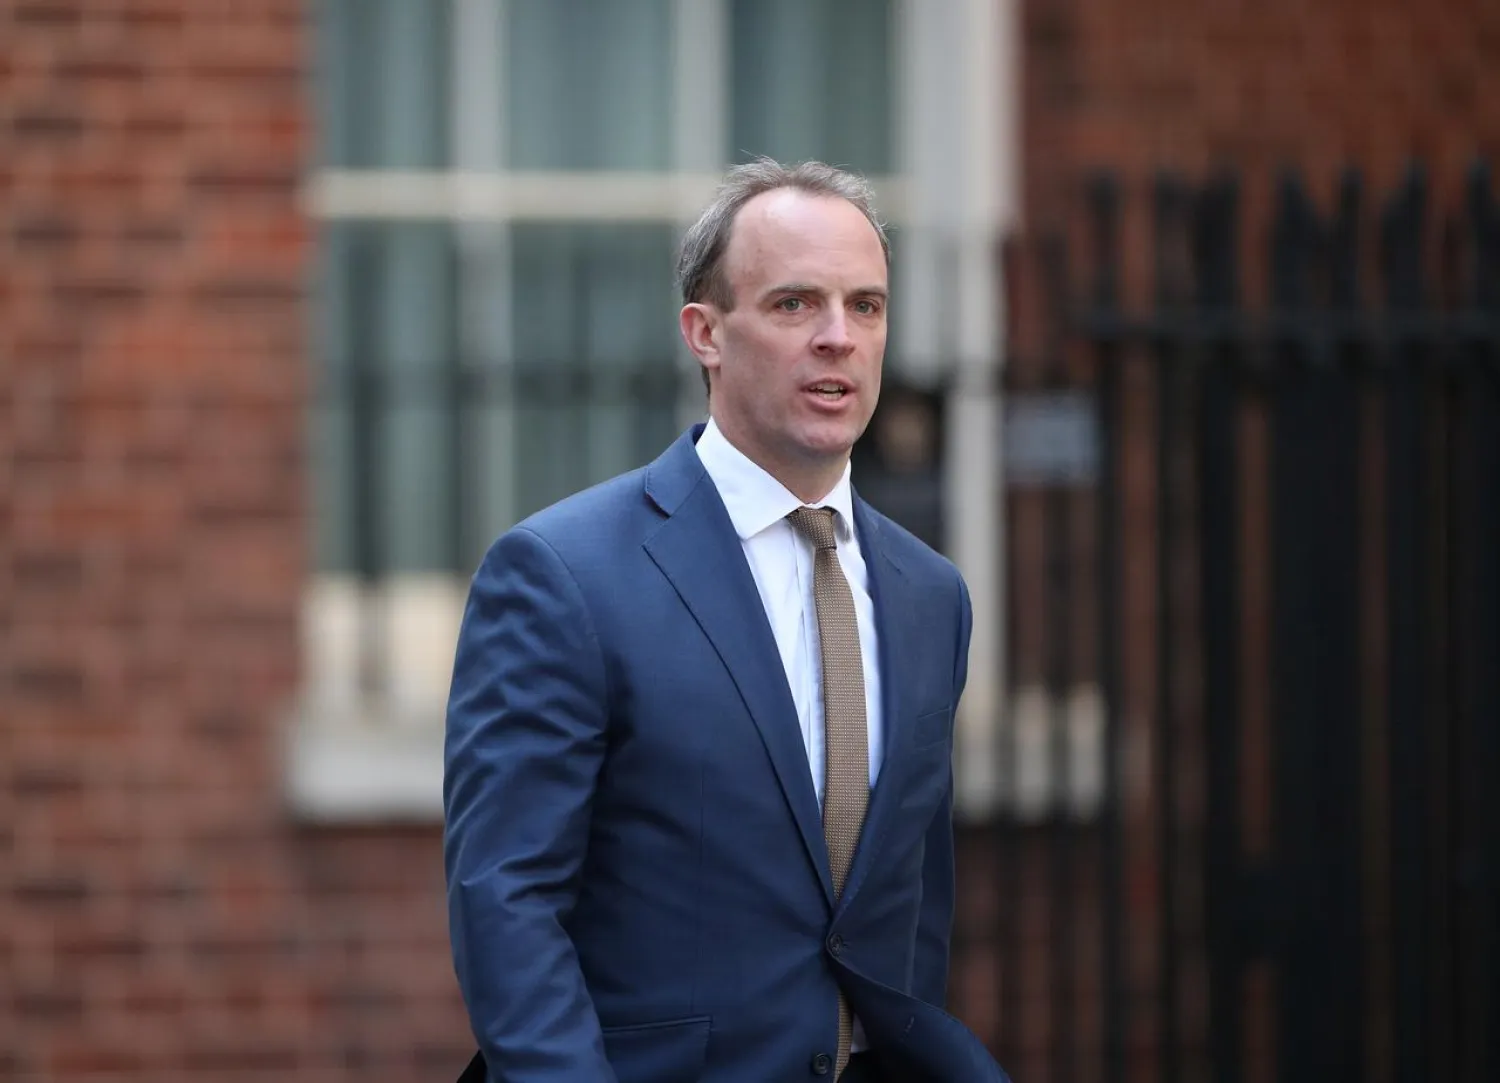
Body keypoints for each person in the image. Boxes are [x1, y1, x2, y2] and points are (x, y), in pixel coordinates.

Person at [444, 159, 1008, 1083]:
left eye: (865, 306)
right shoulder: (564, 574)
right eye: (795, 304)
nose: (838, 337)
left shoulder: (931, 594)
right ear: (704, 333)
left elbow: (911, 917)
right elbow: (507, 901)